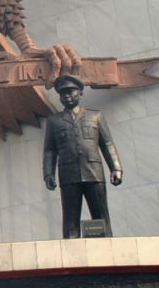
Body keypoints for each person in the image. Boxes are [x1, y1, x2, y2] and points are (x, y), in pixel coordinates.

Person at [42, 75, 124, 238]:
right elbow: (49, 150)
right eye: (63, 93)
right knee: (70, 219)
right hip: (68, 175)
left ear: (80, 93)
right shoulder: (54, 121)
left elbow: (107, 144)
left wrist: (116, 168)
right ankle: (71, 255)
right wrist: (48, 174)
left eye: (71, 92)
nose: (67, 96)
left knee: (101, 216)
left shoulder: (95, 116)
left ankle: (106, 252)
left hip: (93, 172)